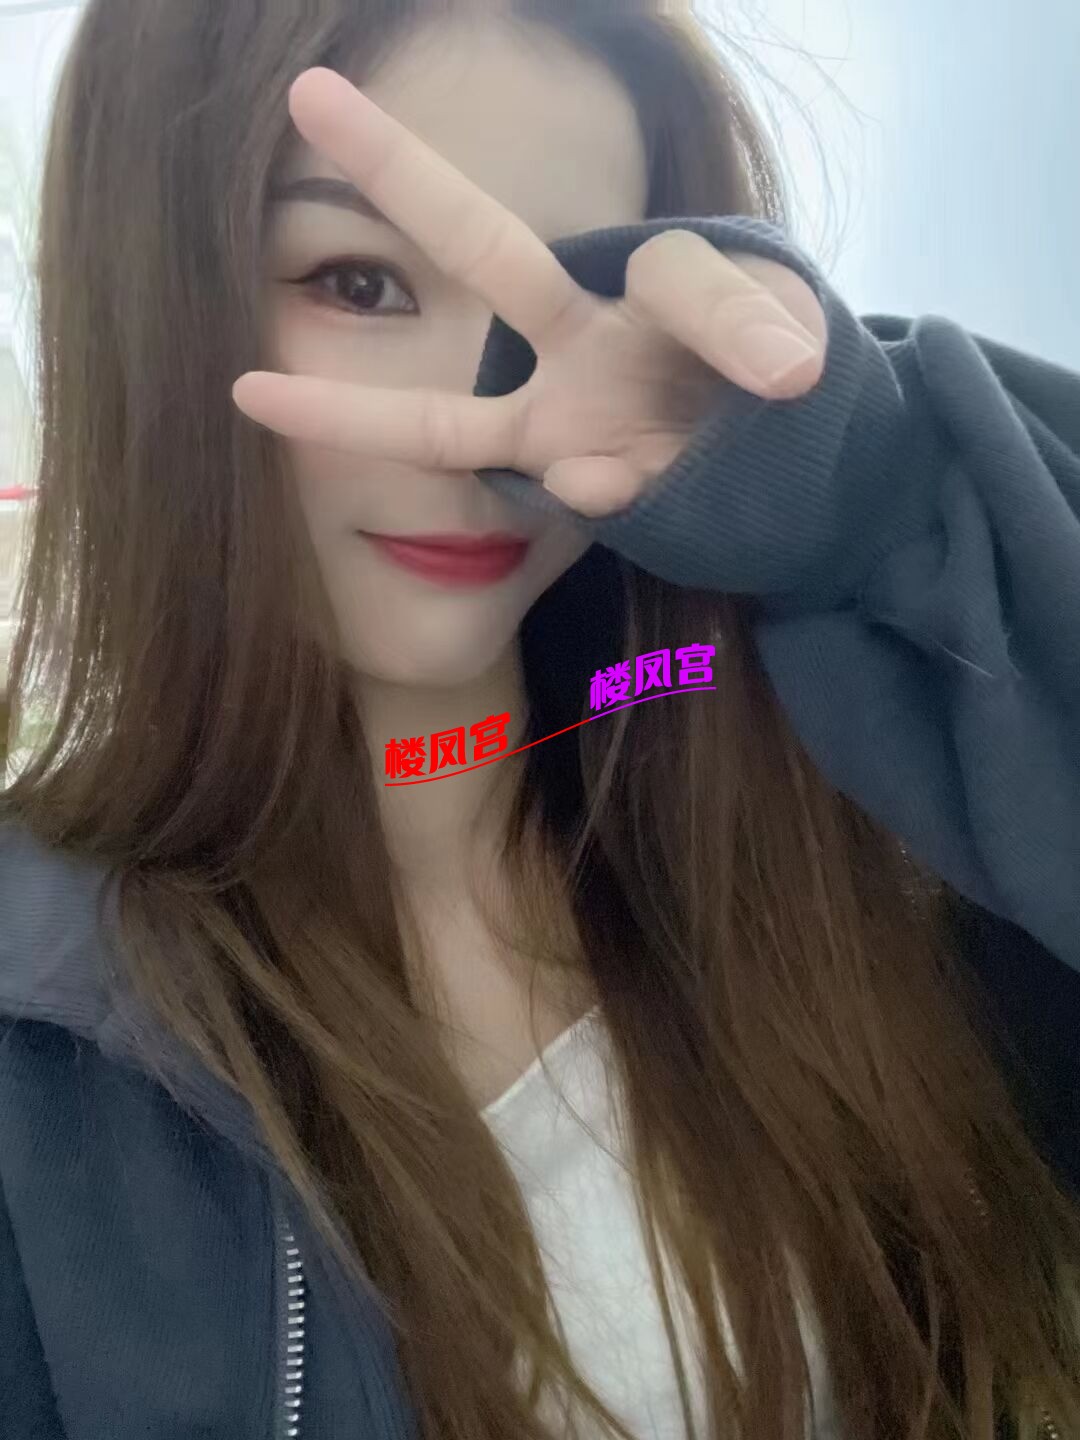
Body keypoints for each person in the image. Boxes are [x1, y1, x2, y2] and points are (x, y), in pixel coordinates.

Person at [1, 0, 1078, 1436]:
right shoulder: (38, 1046)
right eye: (358, 283)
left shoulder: (842, 824)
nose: (492, 423)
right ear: (149, 309)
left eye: (570, 299)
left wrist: (876, 493)